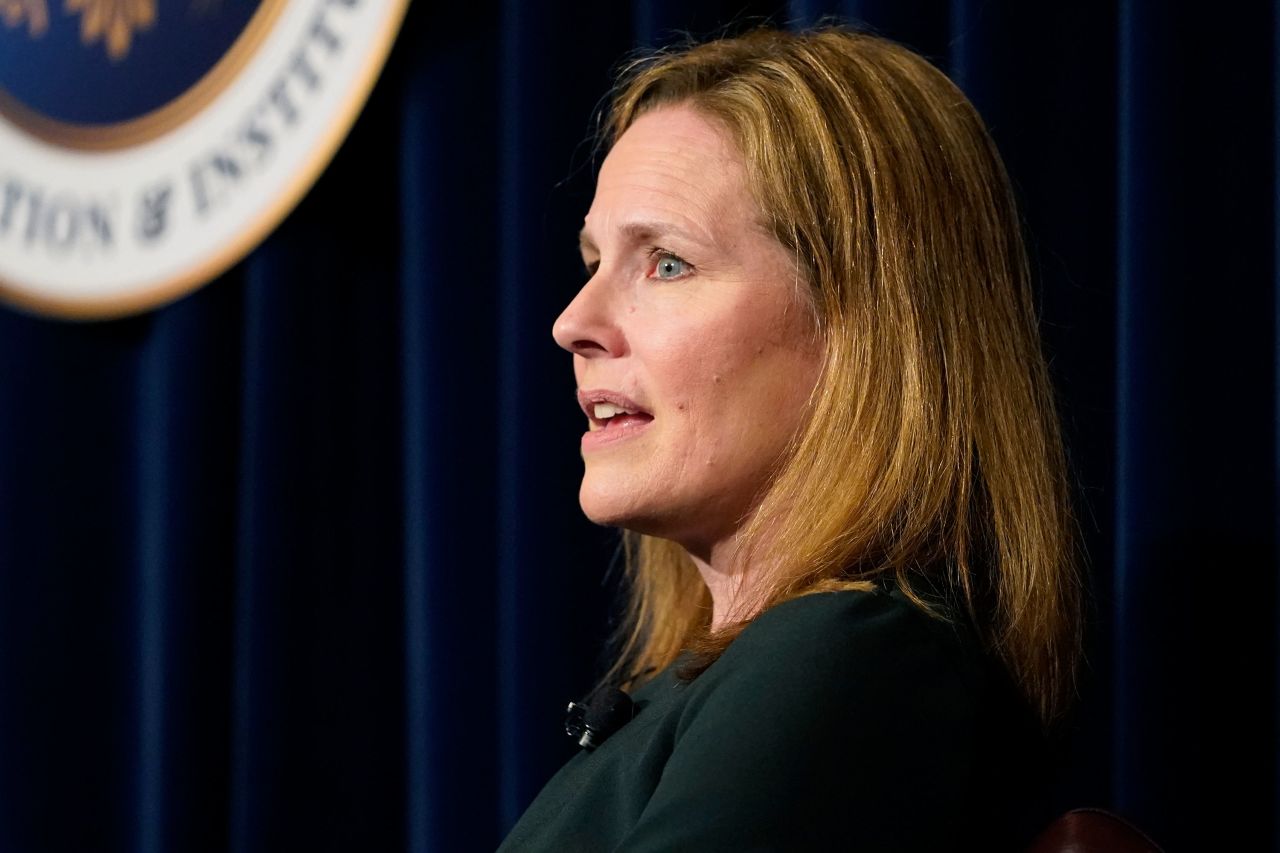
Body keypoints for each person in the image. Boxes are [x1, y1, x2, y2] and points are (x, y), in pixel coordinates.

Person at [499, 25, 1082, 852]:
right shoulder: (742, 676)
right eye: (593, 261)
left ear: (864, 327)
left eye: (666, 262)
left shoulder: (845, 660)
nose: (573, 323)